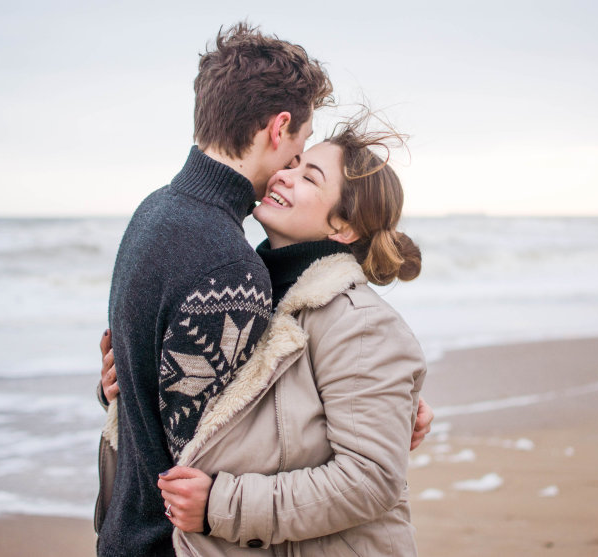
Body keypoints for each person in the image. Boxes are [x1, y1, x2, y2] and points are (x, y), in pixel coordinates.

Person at [96, 22, 433, 556]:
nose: (286, 174)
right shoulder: (235, 273)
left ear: (344, 227)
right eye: (297, 156)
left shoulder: (157, 216)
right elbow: (208, 437)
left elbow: (359, 469)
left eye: (308, 174)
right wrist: (132, 379)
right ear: (281, 128)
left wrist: (388, 410)